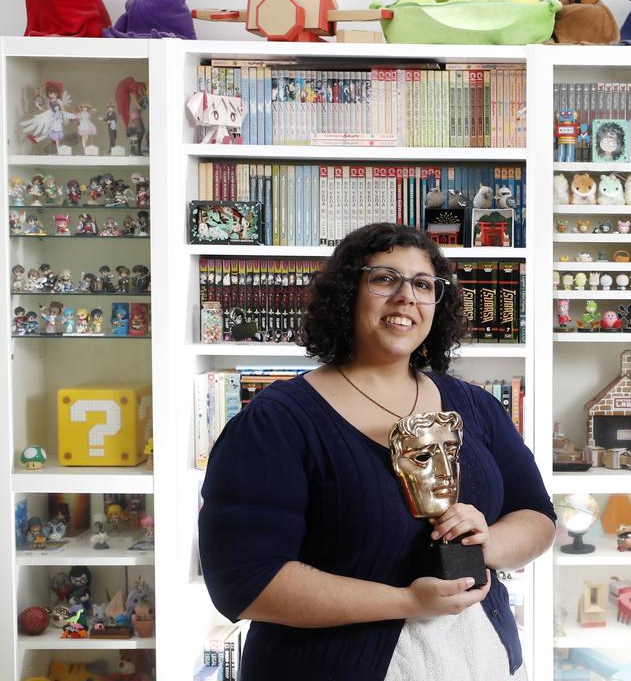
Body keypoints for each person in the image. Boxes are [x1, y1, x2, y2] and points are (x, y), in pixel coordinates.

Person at [199, 223, 554, 680]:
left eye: (423, 285)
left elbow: (538, 516)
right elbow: (245, 583)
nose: (406, 297)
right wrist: (409, 602)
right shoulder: (277, 421)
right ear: (347, 293)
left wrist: (490, 541)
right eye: (385, 279)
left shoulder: (476, 406)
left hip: (482, 662)